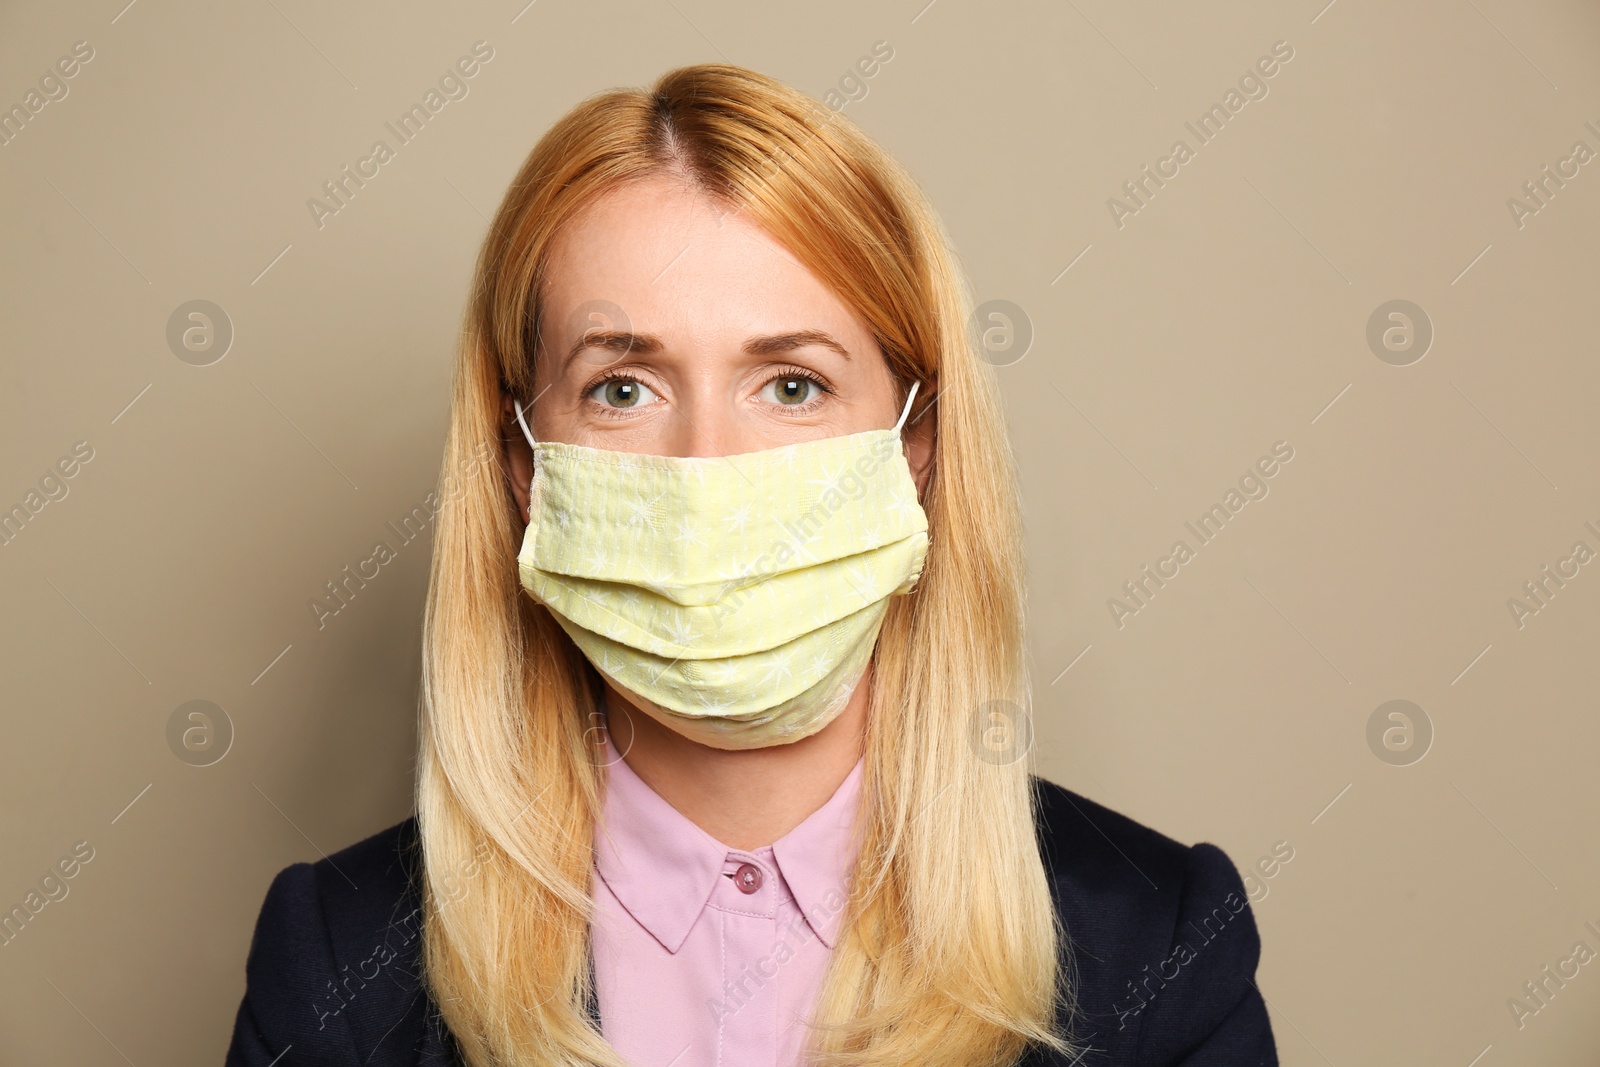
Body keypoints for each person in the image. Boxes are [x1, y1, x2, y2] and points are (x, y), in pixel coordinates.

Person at [224, 62, 1278, 1067]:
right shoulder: (337, 964)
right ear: (523, 468)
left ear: (916, 447)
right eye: (623, 388)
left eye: (790, 385)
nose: (707, 468)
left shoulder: (1159, 944)